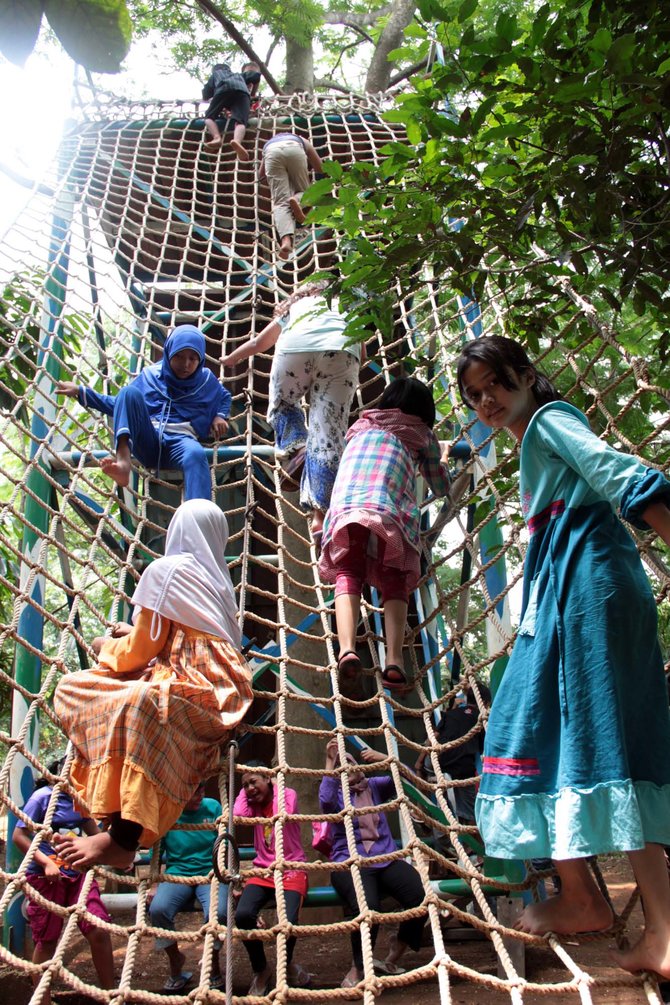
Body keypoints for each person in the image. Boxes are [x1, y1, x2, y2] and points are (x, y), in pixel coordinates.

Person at [456, 334, 670, 976]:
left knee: (535, 731)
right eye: (474, 395)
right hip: (574, 596)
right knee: (597, 744)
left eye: (494, 382)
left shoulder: (550, 419)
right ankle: (628, 914)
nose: (486, 399)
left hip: (588, 592)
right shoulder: (532, 442)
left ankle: (597, 902)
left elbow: (614, 470)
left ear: (523, 373)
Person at [53, 500, 253, 869]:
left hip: (191, 685)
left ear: (176, 530)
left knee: (88, 692)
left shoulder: (166, 571)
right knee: (133, 699)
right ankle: (117, 820)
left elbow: (140, 652)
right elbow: (184, 639)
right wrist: (139, 634)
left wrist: (104, 647)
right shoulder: (219, 582)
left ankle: (122, 838)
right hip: (226, 694)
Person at [318, 377, 453, 691]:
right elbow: (442, 486)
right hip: (387, 511)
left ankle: (348, 649)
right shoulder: (421, 434)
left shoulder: (360, 427)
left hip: (345, 507)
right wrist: (442, 456)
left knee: (348, 572)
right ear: (424, 413)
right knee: (395, 578)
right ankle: (394, 658)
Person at [222, 282, 361, 544]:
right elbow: (361, 349)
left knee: (283, 403)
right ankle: (320, 518)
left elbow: (258, 342)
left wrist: (232, 358)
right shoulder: (348, 306)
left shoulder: (297, 306)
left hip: (298, 346)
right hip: (343, 352)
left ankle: (296, 447)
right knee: (328, 438)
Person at [57, 325, 231, 501]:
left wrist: (220, 415)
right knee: (128, 393)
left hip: (181, 442)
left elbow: (224, 397)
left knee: (196, 454)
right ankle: (124, 463)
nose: (185, 364)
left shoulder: (206, 380)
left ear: (200, 360)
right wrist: (82, 392)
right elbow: (121, 406)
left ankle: (198, 516)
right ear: (169, 352)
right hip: (149, 439)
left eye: (193, 358)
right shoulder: (150, 376)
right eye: (179, 356)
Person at [319, 740, 427, 987]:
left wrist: (384, 758)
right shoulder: (336, 795)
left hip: (385, 858)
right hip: (349, 862)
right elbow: (324, 801)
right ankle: (359, 966)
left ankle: (397, 947)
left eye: (350, 762)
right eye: (341, 765)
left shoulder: (375, 787)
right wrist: (329, 761)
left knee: (420, 895)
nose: (347, 767)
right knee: (368, 907)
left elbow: (409, 780)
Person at [14, 767, 115, 1005]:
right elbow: (19, 835)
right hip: (46, 877)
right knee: (47, 940)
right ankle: (43, 1000)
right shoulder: (43, 798)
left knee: (98, 929)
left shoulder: (79, 799)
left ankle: (110, 995)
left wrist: (113, 844)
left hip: (78, 874)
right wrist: (46, 862)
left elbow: (93, 834)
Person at [233, 762, 311, 996]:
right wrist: (245, 789)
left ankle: (285, 966)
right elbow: (238, 814)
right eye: (245, 784)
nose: (249, 788)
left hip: (291, 868)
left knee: (288, 921)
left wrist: (275, 783)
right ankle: (261, 969)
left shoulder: (287, 795)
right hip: (263, 871)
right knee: (243, 915)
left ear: (268, 779)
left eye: (253, 782)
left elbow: (283, 811)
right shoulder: (253, 807)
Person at [148, 783, 227, 992]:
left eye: (202, 790)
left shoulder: (213, 807)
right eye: (195, 792)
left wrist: (227, 877)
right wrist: (155, 883)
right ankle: (176, 960)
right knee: (158, 909)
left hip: (210, 872)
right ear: (182, 792)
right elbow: (157, 849)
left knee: (218, 912)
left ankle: (213, 962)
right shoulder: (169, 811)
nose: (200, 795)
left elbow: (224, 844)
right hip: (178, 872)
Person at [415, 683, 490, 824]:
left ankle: (420, 810)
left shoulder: (450, 714)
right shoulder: (481, 719)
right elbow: (481, 748)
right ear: (484, 703)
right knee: (469, 811)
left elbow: (432, 739)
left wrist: (419, 762)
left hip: (439, 762)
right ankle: (469, 837)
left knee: (423, 770)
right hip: (462, 768)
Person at [259, 132, 323, 259]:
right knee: (309, 192)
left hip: (271, 154)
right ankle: (297, 199)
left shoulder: (269, 144)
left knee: (280, 202)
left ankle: (286, 241)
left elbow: (261, 176)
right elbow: (320, 168)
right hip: (295, 149)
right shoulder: (301, 139)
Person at [202, 62, 261, 159]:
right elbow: (256, 76)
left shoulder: (216, 74)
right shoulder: (238, 75)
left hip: (223, 90)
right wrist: (253, 93)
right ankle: (237, 141)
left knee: (209, 117)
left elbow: (205, 95)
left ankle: (216, 138)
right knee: (241, 121)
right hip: (242, 93)